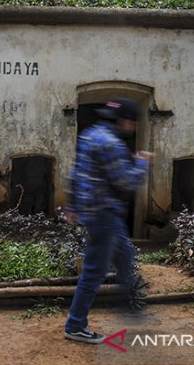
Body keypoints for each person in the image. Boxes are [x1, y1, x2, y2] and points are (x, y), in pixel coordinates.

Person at [63, 98, 154, 344]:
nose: (133, 128)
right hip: (102, 213)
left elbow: (76, 172)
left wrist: (72, 205)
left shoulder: (89, 135)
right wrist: (142, 163)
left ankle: (130, 306)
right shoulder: (112, 144)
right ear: (125, 121)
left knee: (125, 255)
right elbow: (127, 181)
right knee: (95, 271)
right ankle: (75, 324)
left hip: (98, 212)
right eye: (133, 123)